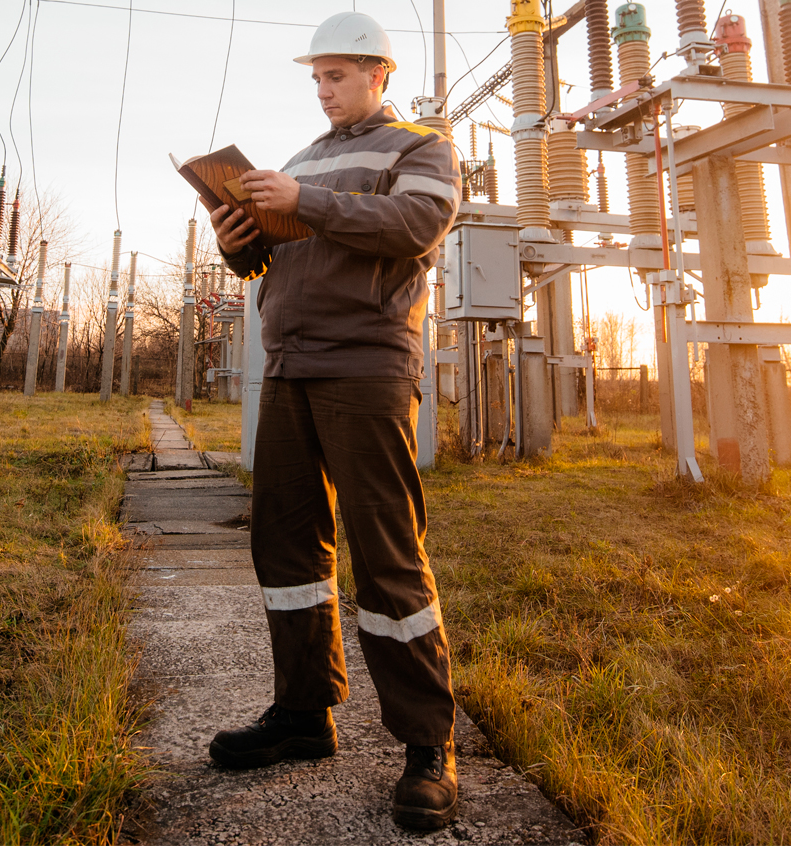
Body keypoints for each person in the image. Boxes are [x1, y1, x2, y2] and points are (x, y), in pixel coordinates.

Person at [204, 10, 463, 832]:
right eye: (315, 77)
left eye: (337, 76)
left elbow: (415, 226)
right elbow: (270, 261)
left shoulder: (421, 148)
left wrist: (305, 201)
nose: (323, 91)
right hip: (287, 367)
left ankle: (428, 747)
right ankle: (303, 714)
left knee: (386, 554)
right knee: (284, 547)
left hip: (366, 366)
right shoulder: (297, 162)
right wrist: (235, 237)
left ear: (379, 74)